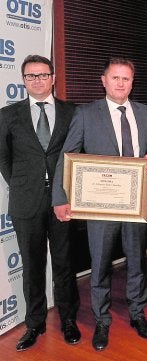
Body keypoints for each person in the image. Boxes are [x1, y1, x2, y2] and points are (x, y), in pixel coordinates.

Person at [52, 57, 147, 351]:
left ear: (132, 83)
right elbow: (67, 155)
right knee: (99, 266)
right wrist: (60, 199)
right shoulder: (85, 113)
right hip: (100, 206)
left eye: (126, 79)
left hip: (136, 203)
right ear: (104, 80)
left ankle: (138, 313)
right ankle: (102, 320)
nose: (121, 83)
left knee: (137, 262)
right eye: (115, 78)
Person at [0, 55, 81, 351]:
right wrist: (23, 183)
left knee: (64, 264)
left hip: (62, 200)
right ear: (23, 80)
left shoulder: (72, 112)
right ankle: (34, 324)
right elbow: (4, 158)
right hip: (26, 202)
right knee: (32, 266)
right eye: (30, 76)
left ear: (53, 77)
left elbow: (80, 153)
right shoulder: (7, 115)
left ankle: (68, 320)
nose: (37, 80)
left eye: (42, 75)